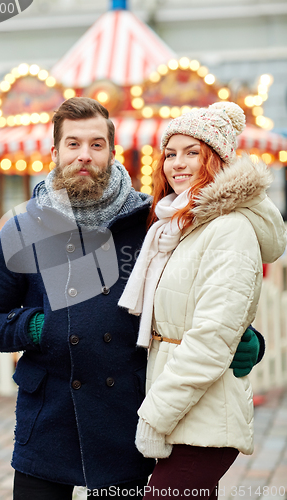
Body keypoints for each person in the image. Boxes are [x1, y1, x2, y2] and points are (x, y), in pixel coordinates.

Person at [0, 98, 264, 500]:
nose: (84, 156)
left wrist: (248, 338)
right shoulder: (24, 227)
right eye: (73, 144)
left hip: (123, 414)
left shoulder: (152, 220)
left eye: (96, 144)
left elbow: (203, 293)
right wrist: (39, 327)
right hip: (49, 414)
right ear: (55, 152)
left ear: (112, 151)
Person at [119, 101, 287, 499]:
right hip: (182, 405)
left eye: (192, 153)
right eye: (170, 154)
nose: (177, 163)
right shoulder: (177, 226)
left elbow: (211, 339)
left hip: (204, 413)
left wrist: (156, 415)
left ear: (216, 161)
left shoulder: (229, 230)